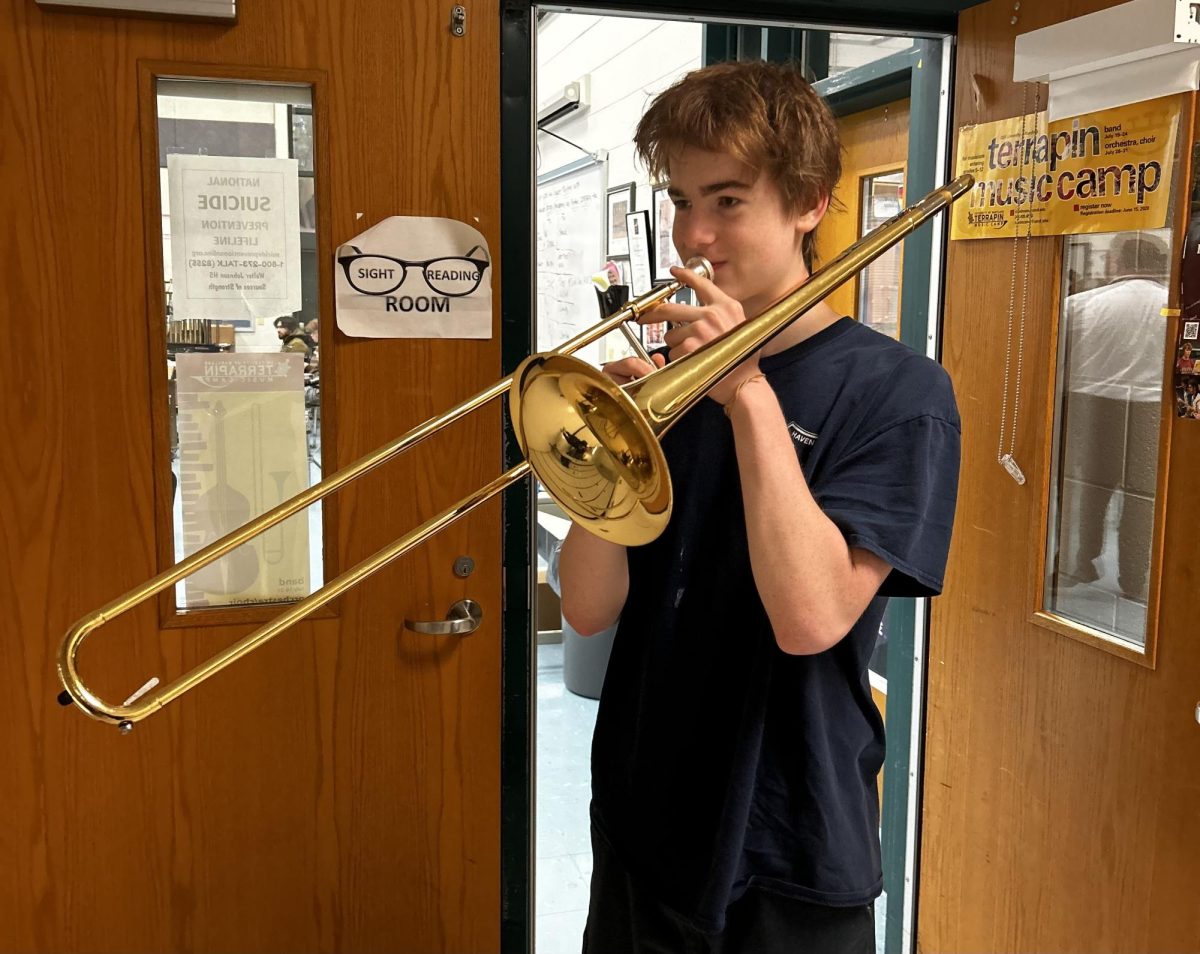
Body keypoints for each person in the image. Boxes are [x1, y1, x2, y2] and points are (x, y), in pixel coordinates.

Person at [556, 60, 961, 953]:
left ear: (810, 201)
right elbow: (586, 608)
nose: (693, 235)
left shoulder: (900, 394)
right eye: (681, 199)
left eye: (729, 201)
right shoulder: (669, 381)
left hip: (788, 840)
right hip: (641, 810)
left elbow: (811, 616)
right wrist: (609, 450)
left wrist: (746, 393)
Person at [1060, 232, 1169, 599]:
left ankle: (1079, 562)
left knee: (1087, 490)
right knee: (1142, 498)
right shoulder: (1175, 306)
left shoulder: (1079, 305)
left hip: (1090, 406)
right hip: (1152, 411)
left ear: (1116, 262)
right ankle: (1135, 580)